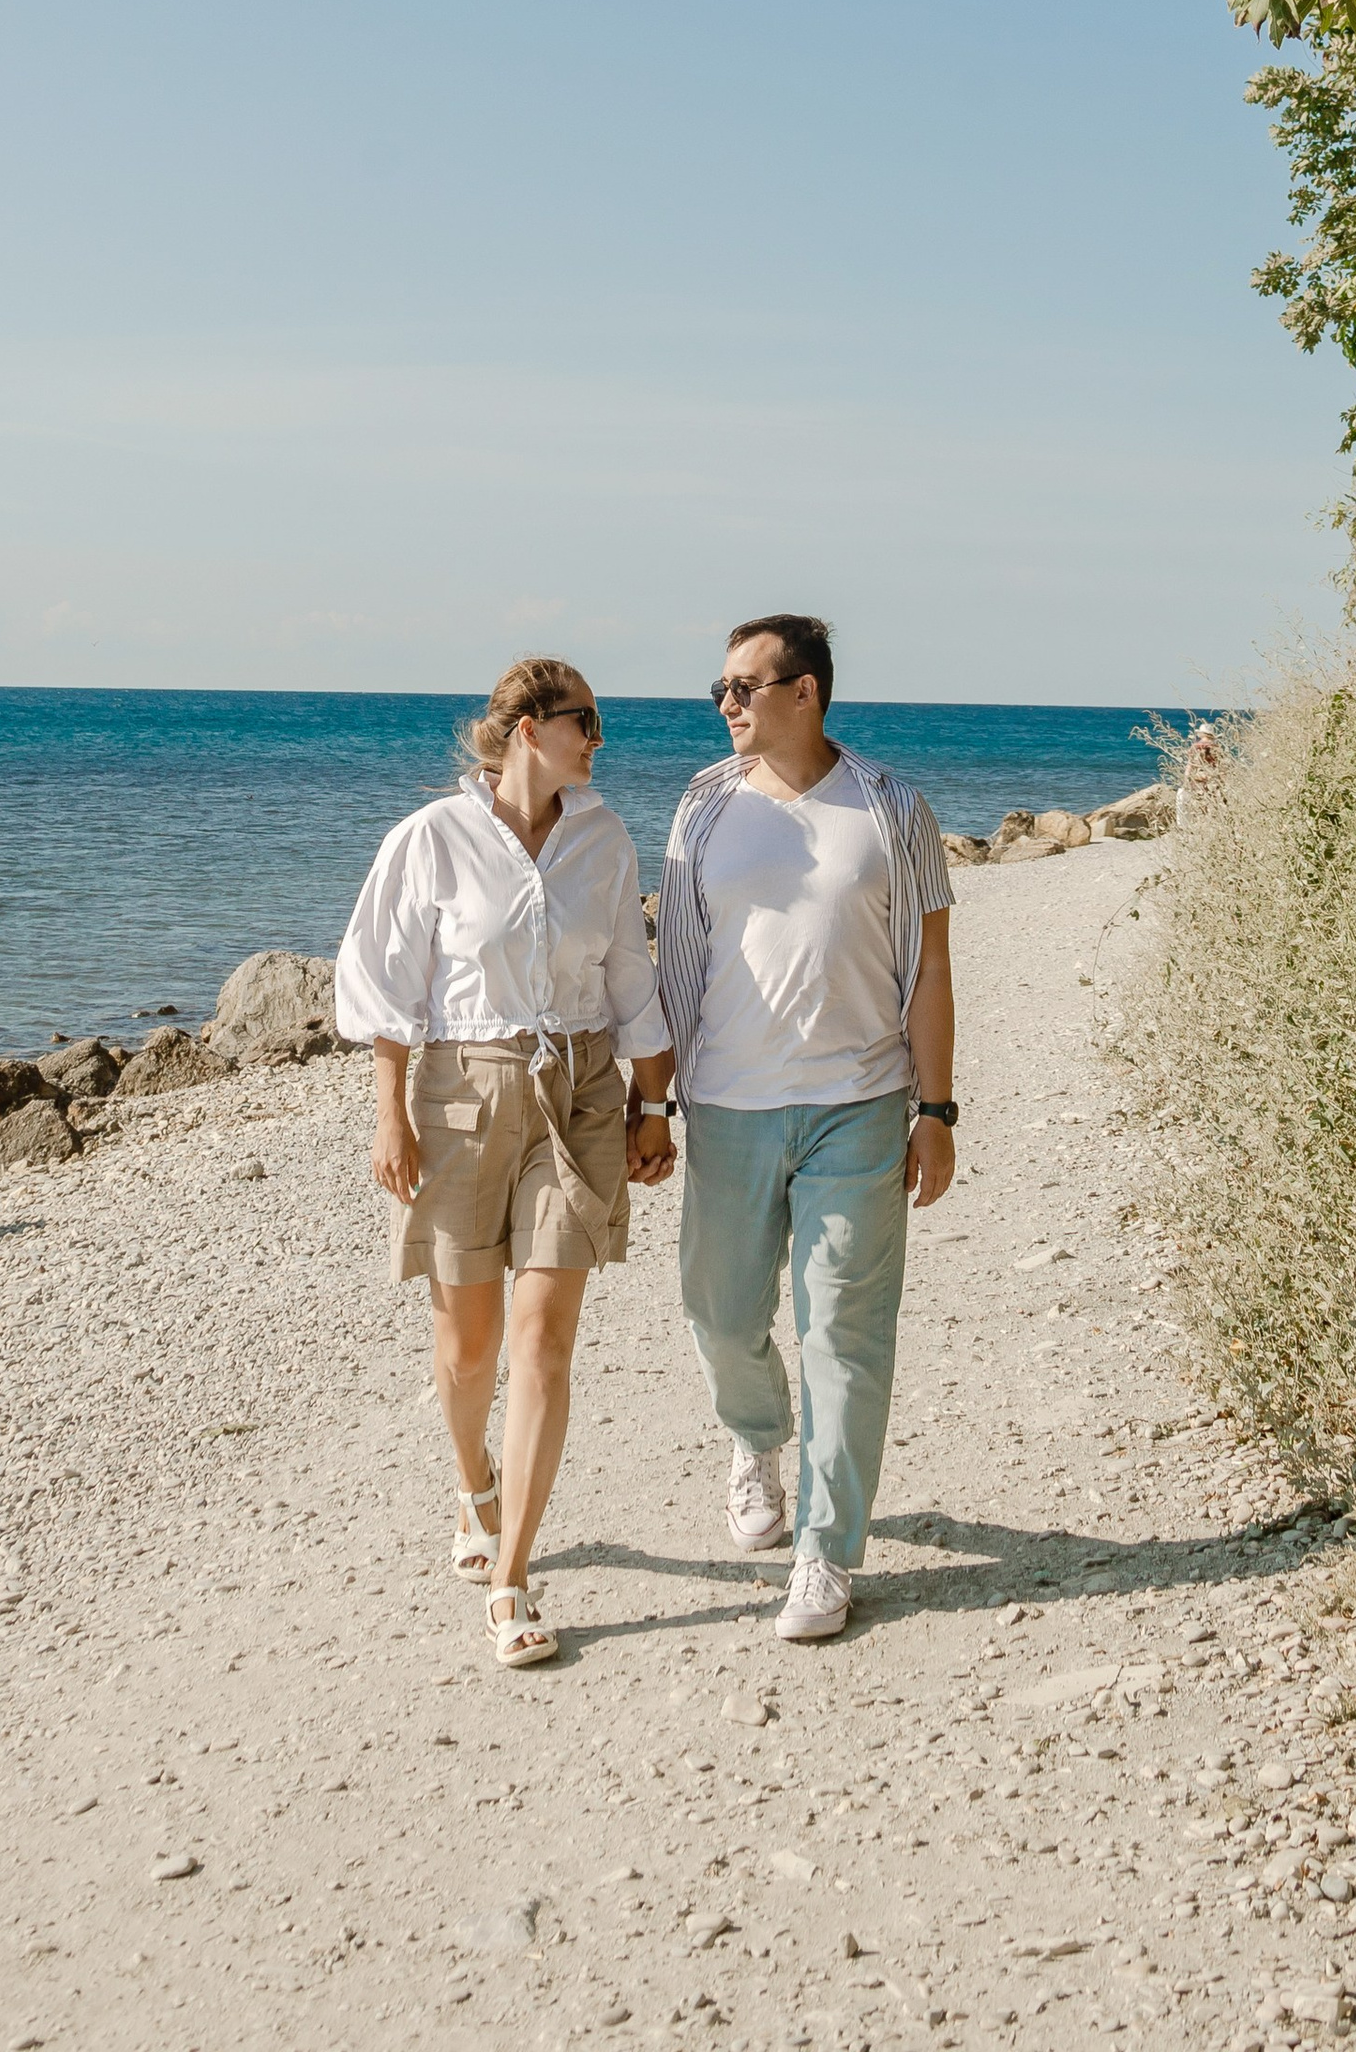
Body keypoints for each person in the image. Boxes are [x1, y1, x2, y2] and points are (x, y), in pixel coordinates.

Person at [333, 657, 676, 1669]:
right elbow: (384, 985)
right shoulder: (429, 839)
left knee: (543, 1339)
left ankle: (515, 1576)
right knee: (467, 1345)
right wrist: (388, 1117)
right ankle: (474, 1482)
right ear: (528, 729)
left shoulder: (603, 839)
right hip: (459, 1094)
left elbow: (629, 976)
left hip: (576, 1094)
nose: (599, 739)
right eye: (586, 721)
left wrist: (653, 1105)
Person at [657, 614, 957, 1643]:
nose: (727, 704)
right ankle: (755, 1439)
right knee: (722, 1313)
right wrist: (656, 1101)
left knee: (844, 1333)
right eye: (720, 689)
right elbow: (675, 971)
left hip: (860, 1106)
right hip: (729, 1107)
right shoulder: (702, 805)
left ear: (806, 693)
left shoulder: (889, 807)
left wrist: (935, 1107)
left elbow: (930, 971)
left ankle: (824, 1553)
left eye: (744, 686)